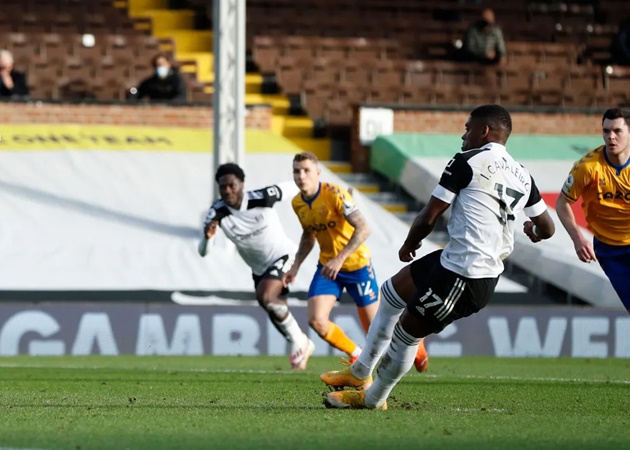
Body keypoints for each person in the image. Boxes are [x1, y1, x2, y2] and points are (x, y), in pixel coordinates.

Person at [320, 104, 555, 410]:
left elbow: (431, 213)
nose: (463, 135)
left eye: (468, 128)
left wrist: (409, 243)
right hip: (455, 260)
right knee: (390, 293)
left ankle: (373, 398)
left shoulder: (467, 161)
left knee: (405, 334)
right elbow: (547, 227)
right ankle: (360, 371)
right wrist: (533, 231)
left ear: (484, 131)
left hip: (467, 274)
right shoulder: (523, 175)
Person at [283, 152, 429, 371]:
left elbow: (364, 228)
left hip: (357, 266)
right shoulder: (298, 203)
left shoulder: (334, 194)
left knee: (377, 329)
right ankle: (355, 354)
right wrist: (295, 266)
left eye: (306, 170)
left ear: (318, 173)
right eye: (297, 171)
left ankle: (416, 344)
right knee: (317, 320)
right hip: (328, 268)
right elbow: (308, 235)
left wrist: (340, 258)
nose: (301, 176)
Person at [199, 163, 315, 369]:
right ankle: (301, 344)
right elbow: (203, 252)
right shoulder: (216, 212)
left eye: (232, 185)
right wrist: (208, 238)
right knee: (273, 308)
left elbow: (296, 186)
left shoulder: (263, 197)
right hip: (259, 269)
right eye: (223, 187)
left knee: (266, 296)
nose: (228, 191)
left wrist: (317, 194)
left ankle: (300, 341)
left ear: (242, 184)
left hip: (284, 255)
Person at [555, 107, 630, 311]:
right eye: (606, 131)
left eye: (617, 131)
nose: (611, 137)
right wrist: (577, 239)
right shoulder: (588, 167)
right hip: (610, 250)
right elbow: (562, 203)